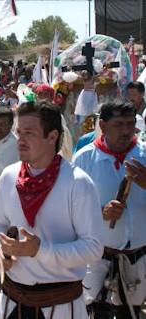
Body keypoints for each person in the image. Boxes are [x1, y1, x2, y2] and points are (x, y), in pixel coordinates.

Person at [0, 101, 103, 318]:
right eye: (19, 132)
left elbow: (93, 248)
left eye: (29, 133)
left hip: (60, 307)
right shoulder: (9, 176)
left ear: (52, 137)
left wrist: (41, 251)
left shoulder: (78, 183)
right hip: (12, 303)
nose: (20, 140)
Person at [72, 100, 146, 318]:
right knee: (94, 310)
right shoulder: (84, 159)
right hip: (96, 257)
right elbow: (70, 208)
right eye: (119, 124)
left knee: (129, 312)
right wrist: (99, 212)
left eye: (130, 124)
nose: (126, 131)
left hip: (138, 256)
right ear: (103, 126)